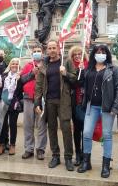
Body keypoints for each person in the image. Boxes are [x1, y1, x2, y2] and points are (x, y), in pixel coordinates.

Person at [77, 44, 118, 178]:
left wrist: (116, 107)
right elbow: (80, 84)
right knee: (86, 133)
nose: (100, 53)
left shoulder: (113, 69)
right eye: (97, 51)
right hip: (91, 106)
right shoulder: (88, 69)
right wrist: (80, 71)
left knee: (107, 135)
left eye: (103, 51)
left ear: (107, 54)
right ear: (93, 54)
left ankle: (105, 166)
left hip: (107, 107)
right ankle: (86, 162)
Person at [34, 40, 76, 171]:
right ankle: (55, 156)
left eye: (54, 47)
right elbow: (39, 85)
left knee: (66, 129)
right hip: (49, 102)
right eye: (50, 48)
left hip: (63, 101)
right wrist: (37, 102)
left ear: (58, 49)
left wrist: (66, 74)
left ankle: (68, 157)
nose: (52, 50)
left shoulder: (66, 62)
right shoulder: (43, 64)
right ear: (47, 50)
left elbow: (75, 79)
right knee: (51, 129)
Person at [20, 44, 47, 160]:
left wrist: (42, 71)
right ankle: (29, 149)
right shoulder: (28, 65)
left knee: (41, 125)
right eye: (34, 51)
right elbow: (22, 80)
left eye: (38, 51)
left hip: (41, 100)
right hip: (28, 99)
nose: (36, 52)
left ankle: (40, 149)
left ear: (42, 53)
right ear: (32, 53)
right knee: (28, 125)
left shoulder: (46, 65)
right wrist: (32, 73)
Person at [66, 45, 88, 166]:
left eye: (79, 54)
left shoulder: (88, 65)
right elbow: (74, 83)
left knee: (86, 130)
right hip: (75, 102)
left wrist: (83, 70)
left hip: (86, 102)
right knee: (77, 129)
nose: (77, 56)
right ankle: (78, 154)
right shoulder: (71, 67)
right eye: (75, 55)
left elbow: (87, 81)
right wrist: (78, 71)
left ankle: (85, 154)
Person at [0, 58, 20, 155]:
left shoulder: (20, 76)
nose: (14, 65)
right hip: (3, 102)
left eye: (16, 64)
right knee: (2, 123)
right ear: (9, 65)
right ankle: (2, 144)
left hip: (14, 103)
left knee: (13, 124)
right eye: (13, 63)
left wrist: (19, 79)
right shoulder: (4, 75)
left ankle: (12, 145)